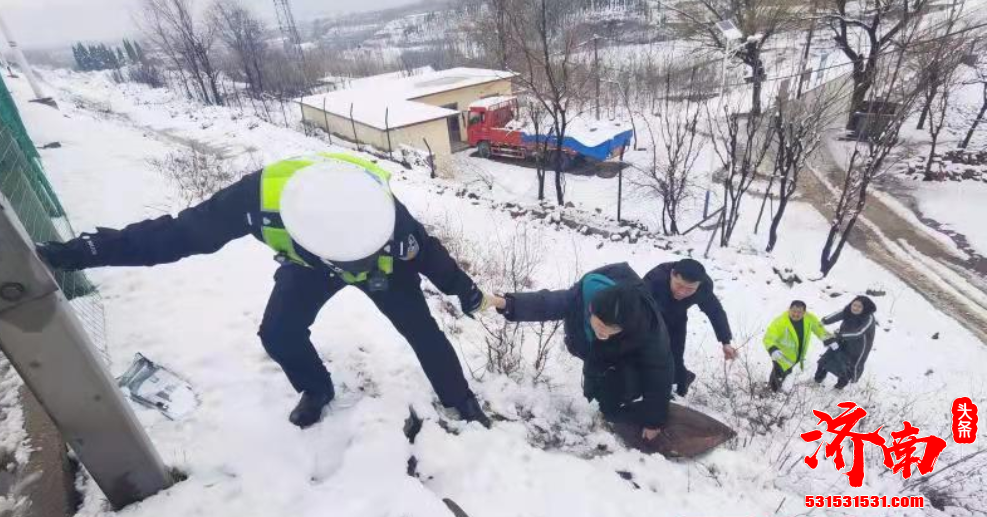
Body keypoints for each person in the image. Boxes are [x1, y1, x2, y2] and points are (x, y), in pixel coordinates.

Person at [36, 153, 491, 428]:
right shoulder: (259, 199)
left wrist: (467, 292)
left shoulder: (384, 214)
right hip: (310, 265)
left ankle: (459, 399)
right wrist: (89, 251)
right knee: (279, 333)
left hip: (383, 266)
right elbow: (176, 235)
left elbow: (429, 255)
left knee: (423, 331)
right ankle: (316, 390)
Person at [484, 263, 674, 445]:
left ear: (624, 328)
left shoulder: (649, 328)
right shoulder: (580, 298)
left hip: (625, 353)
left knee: (630, 385)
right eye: (598, 326)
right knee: (606, 400)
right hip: (596, 351)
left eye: (609, 330)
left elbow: (660, 370)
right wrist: (506, 303)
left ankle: (631, 398)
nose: (602, 333)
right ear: (591, 310)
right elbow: (547, 303)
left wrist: (654, 422)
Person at [642, 259, 737, 397]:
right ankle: (657, 389)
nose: (682, 292)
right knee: (651, 353)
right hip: (651, 316)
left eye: (690, 289)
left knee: (675, 355)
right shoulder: (654, 280)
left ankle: (682, 380)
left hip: (677, 318)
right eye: (679, 285)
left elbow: (715, 311)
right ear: (672, 275)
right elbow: (637, 305)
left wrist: (725, 341)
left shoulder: (704, 287)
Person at [763, 300, 829, 392]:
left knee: (786, 372)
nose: (796, 314)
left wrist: (829, 339)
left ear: (804, 313)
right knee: (778, 373)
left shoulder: (809, 318)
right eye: (793, 311)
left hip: (796, 356)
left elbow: (819, 330)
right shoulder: (781, 321)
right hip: (780, 355)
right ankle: (772, 391)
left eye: (799, 312)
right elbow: (768, 337)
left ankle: (776, 388)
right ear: (789, 309)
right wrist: (772, 349)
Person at [816, 296, 878, 389]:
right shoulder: (848, 310)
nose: (855, 308)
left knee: (848, 368)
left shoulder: (868, 318)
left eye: (859, 306)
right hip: (843, 340)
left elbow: (859, 333)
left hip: (858, 348)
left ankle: (838, 388)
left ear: (864, 308)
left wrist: (839, 335)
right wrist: (824, 321)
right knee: (827, 358)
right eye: (854, 305)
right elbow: (838, 314)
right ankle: (817, 380)